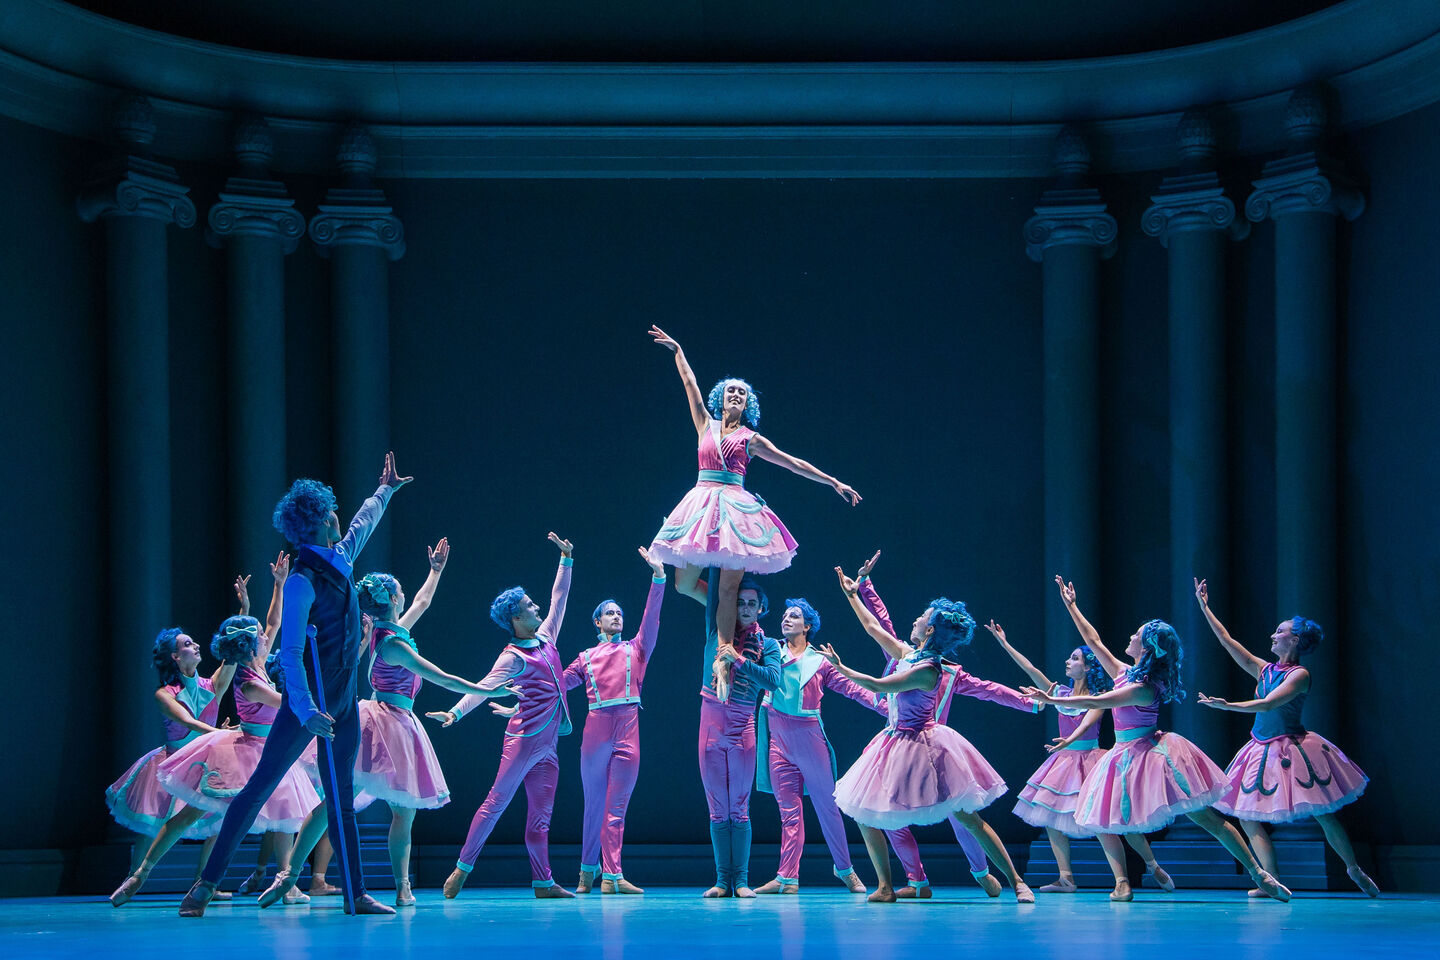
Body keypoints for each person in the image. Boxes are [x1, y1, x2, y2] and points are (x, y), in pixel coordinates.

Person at [178, 453, 411, 917]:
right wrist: (305, 711)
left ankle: (355, 893)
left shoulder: (340, 558)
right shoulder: (304, 581)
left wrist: (384, 489)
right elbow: (290, 655)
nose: (339, 516)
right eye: (332, 512)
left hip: (343, 702)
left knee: (341, 796)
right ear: (322, 520)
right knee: (260, 786)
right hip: (311, 706)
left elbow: (364, 523)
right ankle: (204, 884)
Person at [257, 538, 502, 908]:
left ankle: (402, 886)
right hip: (381, 723)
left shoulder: (390, 632)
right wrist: (487, 689)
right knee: (336, 801)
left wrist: (435, 572)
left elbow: (422, 602)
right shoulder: (390, 644)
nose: (406, 596)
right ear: (389, 599)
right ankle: (288, 875)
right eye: (399, 591)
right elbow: (443, 678)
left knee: (401, 810)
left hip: (401, 724)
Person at [1023, 577, 1292, 902]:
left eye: (1136, 636)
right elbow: (1094, 642)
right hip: (1124, 755)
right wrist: (1072, 606)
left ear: (1147, 648)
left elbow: (1095, 702)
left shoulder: (1144, 687)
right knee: (1104, 816)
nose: (1130, 637)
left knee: (1206, 818)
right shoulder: (1124, 672)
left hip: (1153, 757)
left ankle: (1258, 873)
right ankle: (1124, 880)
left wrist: (1051, 701)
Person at [646, 325, 859, 698]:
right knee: (683, 583)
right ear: (721, 398)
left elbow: (793, 463)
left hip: (736, 509)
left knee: (728, 588)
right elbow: (690, 387)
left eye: (742, 394)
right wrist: (678, 350)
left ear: (747, 405)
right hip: (702, 503)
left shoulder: (750, 439)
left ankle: (724, 658)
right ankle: (734, 617)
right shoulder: (705, 426)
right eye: (731, 391)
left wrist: (832, 481)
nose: (736, 396)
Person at [826, 579, 1035, 904]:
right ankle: (885, 886)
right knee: (865, 813)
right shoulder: (908, 654)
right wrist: (853, 595)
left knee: (969, 819)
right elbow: (872, 627)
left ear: (930, 631)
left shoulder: (930, 671)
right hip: (893, 742)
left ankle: (1017, 881)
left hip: (925, 748)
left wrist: (841, 668)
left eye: (922, 618)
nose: (914, 620)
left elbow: (880, 686)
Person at [1194, 578, 1377, 897]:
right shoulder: (1264, 669)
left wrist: (1227, 706)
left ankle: (1353, 869)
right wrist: (1204, 606)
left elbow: (1268, 703)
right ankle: (1270, 879)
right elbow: (1226, 640)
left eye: (1280, 631)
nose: (1273, 635)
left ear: (1294, 640)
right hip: (1259, 748)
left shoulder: (1299, 676)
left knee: (1324, 814)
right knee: (1247, 817)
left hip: (1292, 750)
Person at [433, 533, 575, 900]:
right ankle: (462, 869)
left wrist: (566, 559)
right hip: (524, 741)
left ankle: (543, 882)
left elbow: (559, 601)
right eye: (530, 606)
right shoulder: (512, 656)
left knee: (541, 819)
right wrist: (455, 712)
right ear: (516, 617)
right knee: (495, 803)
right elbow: (481, 687)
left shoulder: (547, 639)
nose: (538, 608)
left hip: (549, 745)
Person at [986, 619, 1174, 894]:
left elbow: (1088, 720)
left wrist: (1070, 740)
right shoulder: (1060, 693)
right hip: (1063, 763)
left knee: (1112, 821)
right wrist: (1005, 644)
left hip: (1090, 761)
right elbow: (1031, 669)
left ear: (1087, 667)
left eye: (1074, 659)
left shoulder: (1101, 695)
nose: (1068, 662)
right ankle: (1066, 878)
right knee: (1049, 817)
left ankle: (1148, 865)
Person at [106, 603, 242, 904]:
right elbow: (188, 721)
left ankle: (202, 881)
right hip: (172, 764)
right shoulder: (164, 694)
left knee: (219, 820)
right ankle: (135, 877)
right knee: (153, 821)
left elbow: (231, 659)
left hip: (204, 763)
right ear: (175, 657)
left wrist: (243, 610)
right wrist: (221, 732)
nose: (195, 645)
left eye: (193, 642)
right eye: (187, 644)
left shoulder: (210, 685)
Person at [563, 547, 668, 894]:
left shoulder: (636, 649)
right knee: (594, 804)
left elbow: (651, 619)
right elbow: (556, 685)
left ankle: (612, 876)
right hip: (596, 730)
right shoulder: (585, 657)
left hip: (627, 727)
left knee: (616, 806)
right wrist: (521, 702)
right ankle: (586, 873)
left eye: (620, 613)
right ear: (597, 621)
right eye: (609, 613)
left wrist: (658, 577)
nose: (616, 617)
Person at [753, 597, 875, 895]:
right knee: (788, 812)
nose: (786, 619)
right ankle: (787, 877)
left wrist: (885, 703)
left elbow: (851, 688)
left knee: (828, 807)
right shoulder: (770, 652)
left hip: (809, 738)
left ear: (807, 626)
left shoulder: (820, 661)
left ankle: (845, 869)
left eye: (794, 616)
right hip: (778, 740)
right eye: (784, 615)